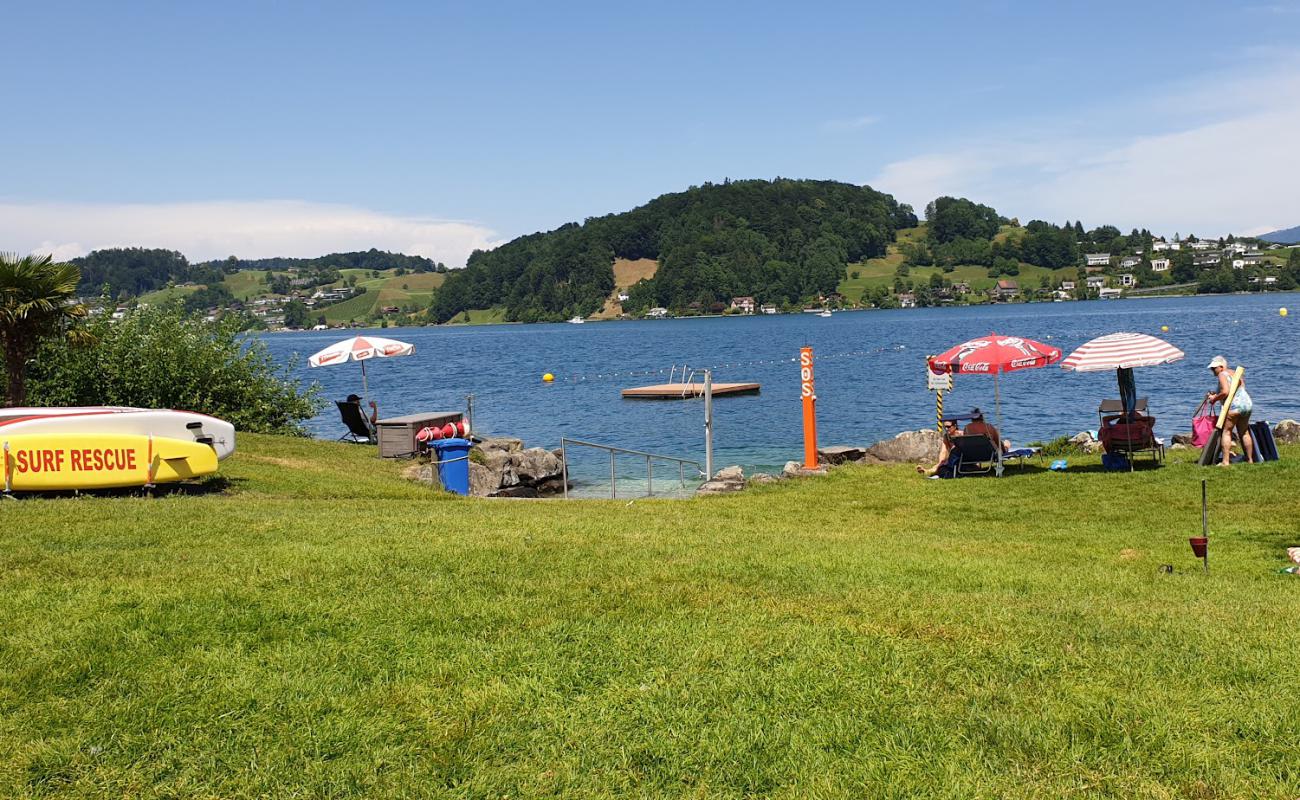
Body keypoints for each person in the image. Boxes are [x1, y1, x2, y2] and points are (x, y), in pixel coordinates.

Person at [1205, 355, 1254, 466]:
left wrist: (1214, 399)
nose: (1212, 371)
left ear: (1221, 367)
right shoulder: (1236, 373)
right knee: (1244, 432)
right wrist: (1217, 395)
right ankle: (1250, 460)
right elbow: (1238, 389)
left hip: (1234, 406)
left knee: (1226, 432)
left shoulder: (1222, 374)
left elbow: (1226, 392)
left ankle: (1225, 462)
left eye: (1214, 368)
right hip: (1246, 404)